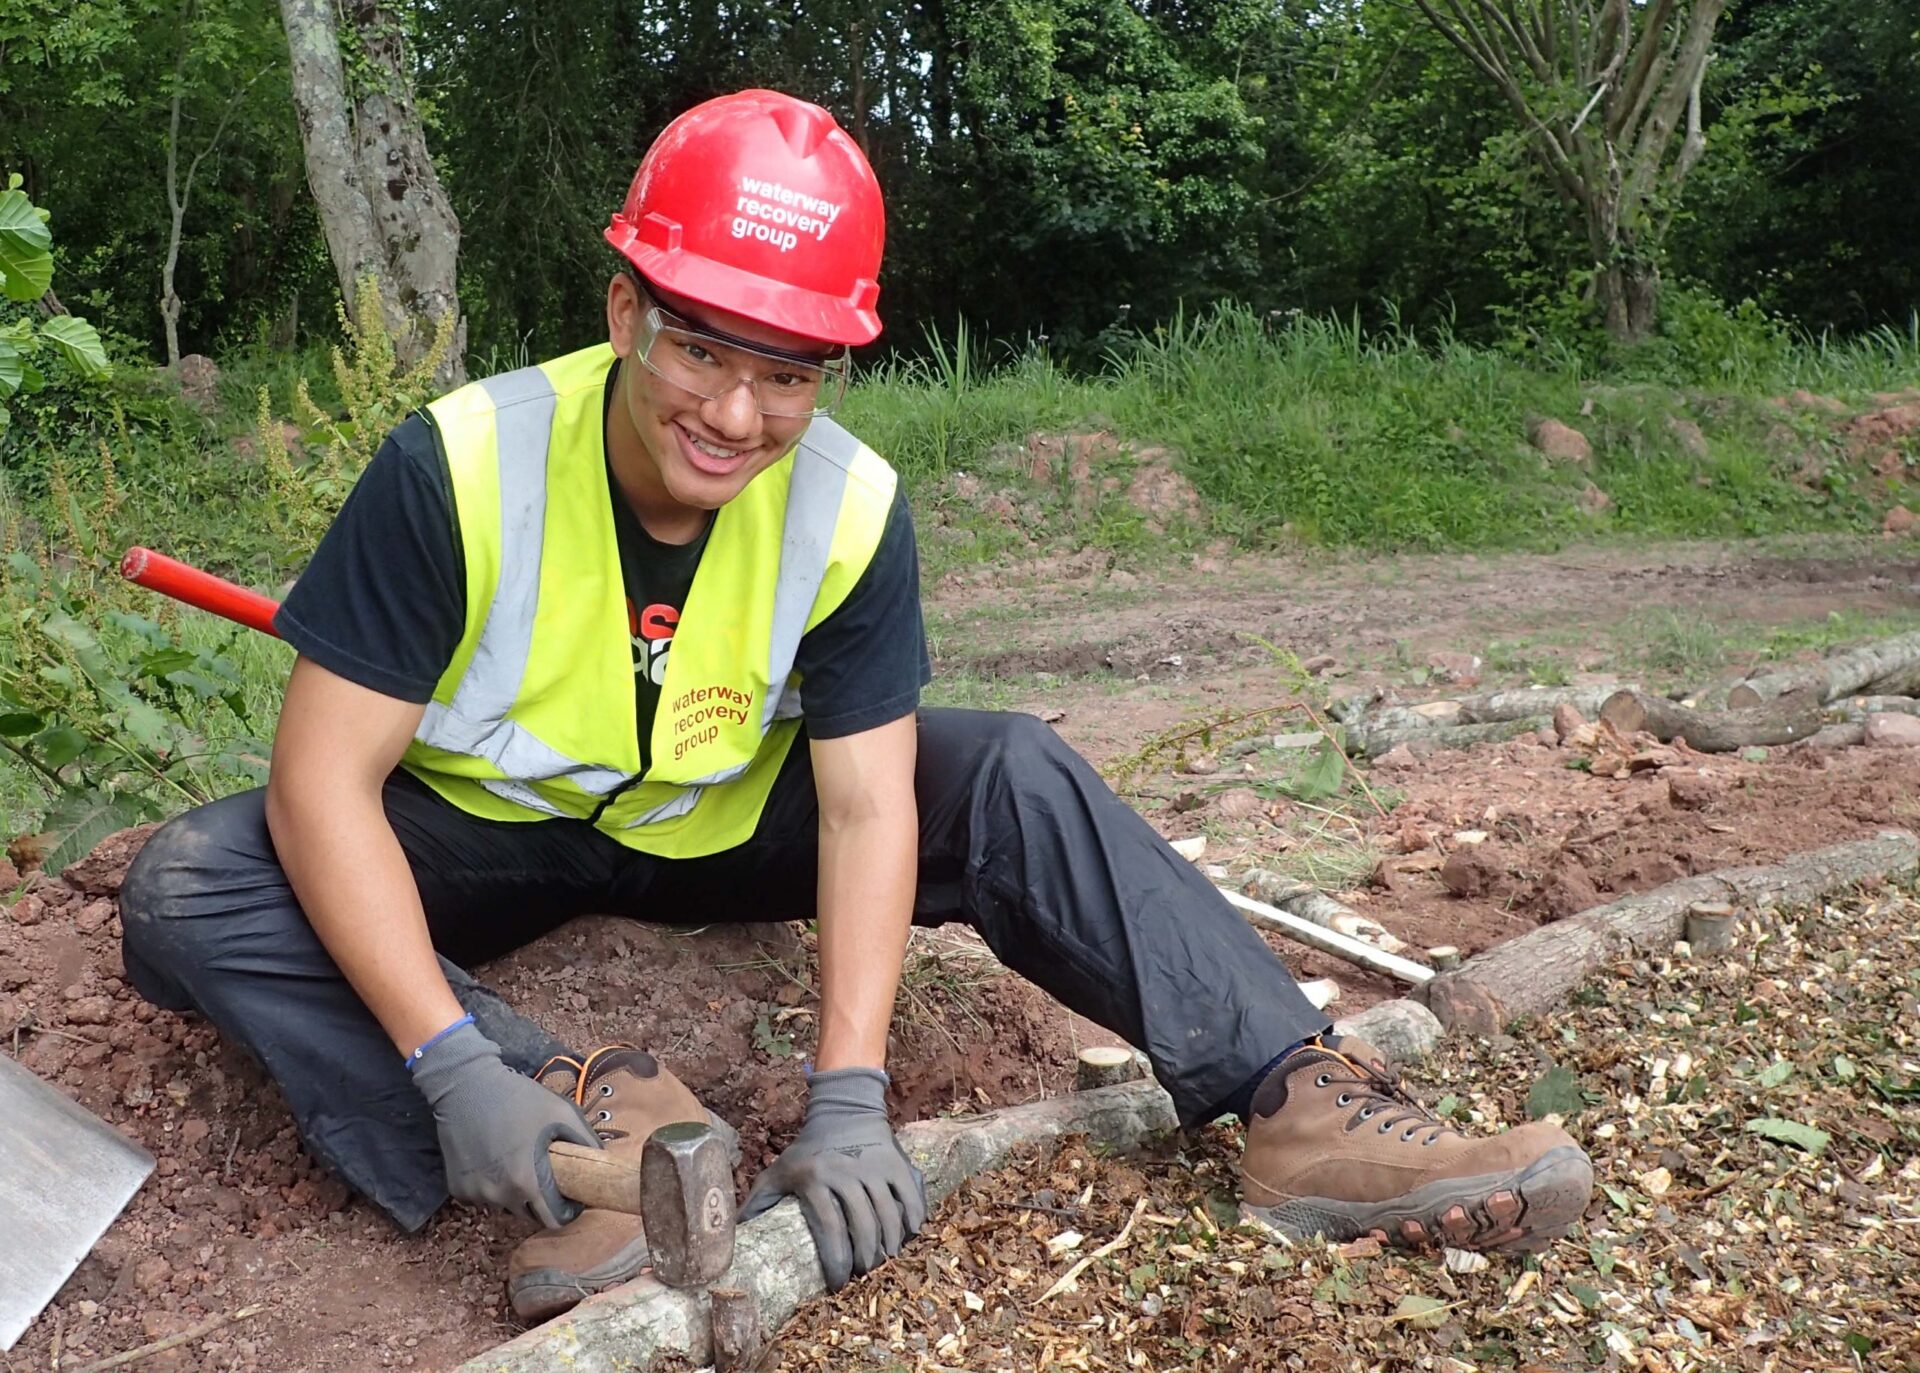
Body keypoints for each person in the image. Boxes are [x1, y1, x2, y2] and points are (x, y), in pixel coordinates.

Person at [118, 89, 1593, 1322]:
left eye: (788, 371)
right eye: (700, 347)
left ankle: (1298, 1104)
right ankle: (586, 1110)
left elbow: (870, 800)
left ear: (833, 365)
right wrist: (449, 1061)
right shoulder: (458, 463)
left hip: (718, 821)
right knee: (195, 884)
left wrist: (847, 1091)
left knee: (1012, 766)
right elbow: (321, 780)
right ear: (624, 307)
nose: (737, 414)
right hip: (479, 835)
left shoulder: (849, 504)